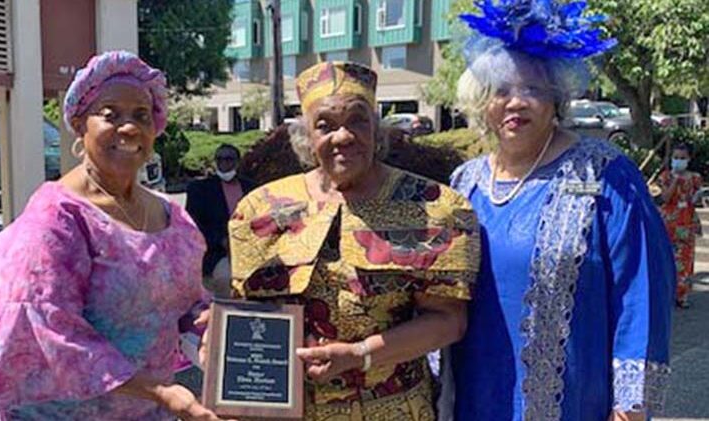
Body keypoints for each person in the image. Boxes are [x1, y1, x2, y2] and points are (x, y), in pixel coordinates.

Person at [199, 61, 480, 420]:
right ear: (306, 136)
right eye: (325, 125)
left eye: (357, 120)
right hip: (284, 410)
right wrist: (222, 339)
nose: (343, 136)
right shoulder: (259, 209)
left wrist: (360, 353)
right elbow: (248, 313)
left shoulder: (434, 207)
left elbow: (447, 320)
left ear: (377, 130)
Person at [441, 1, 676, 420]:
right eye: (501, 90)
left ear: (557, 98)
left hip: (576, 402)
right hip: (477, 400)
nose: (516, 103)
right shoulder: (464, 184)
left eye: (532, 89)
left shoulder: (605, 173)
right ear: (482, 102)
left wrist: (631, 406)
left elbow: (641, 290)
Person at [0, 51, 230, 421]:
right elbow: (47, 330)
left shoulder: (172, 218)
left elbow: (187, 301)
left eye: (141, 115)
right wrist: (161, 391)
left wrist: (207, 330)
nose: (129, 128)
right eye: (110, 114)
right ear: (80, 124)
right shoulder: (52, 222)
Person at [186, 144, 255, 298]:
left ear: (237, 162)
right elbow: (194, 225)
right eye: (219, 159)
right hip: (217, 252)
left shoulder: (251, 188)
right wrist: (222, 241)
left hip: (249, 249)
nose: (224, 163)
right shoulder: (200, 189)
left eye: (229, 159)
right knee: (226, 279)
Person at [658, 143, 703, 308]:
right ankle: (666, 294)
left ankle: (682, 296)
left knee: (685, 260)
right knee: (666, 258)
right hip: (668, 222)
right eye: (676, 157)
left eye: (682, 158)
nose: (678, 161)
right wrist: (675, 181)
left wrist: (697, 197)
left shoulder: (695, 178)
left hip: (687, 222)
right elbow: (666, 198)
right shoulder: (665, 176)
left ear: (689, 159)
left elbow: (694, 201)